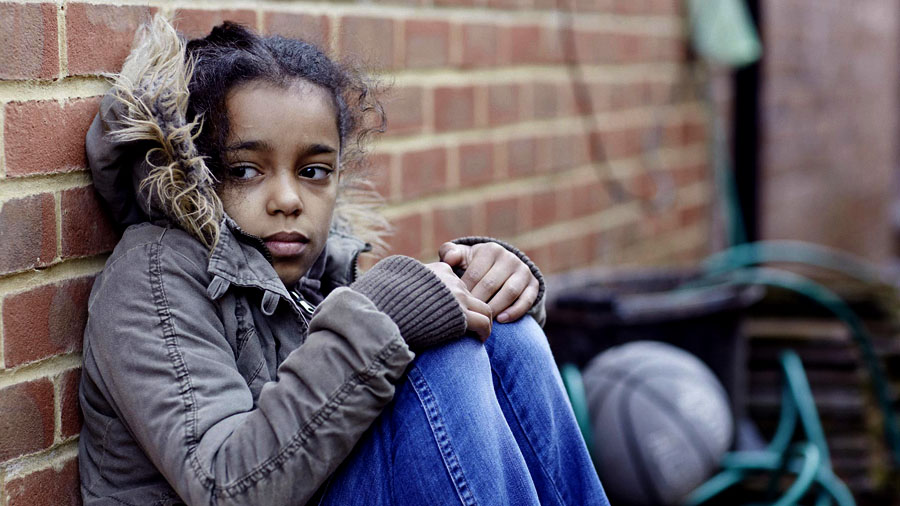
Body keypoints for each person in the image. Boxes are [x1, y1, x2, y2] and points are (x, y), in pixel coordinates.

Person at [78, 15, 608, 506]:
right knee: (445, 358)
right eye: (244, 170)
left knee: (502, 334)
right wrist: (379, 316)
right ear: (195, 168)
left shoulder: (316, 274)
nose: (288, 199)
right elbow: (225, 486)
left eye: (313, 171)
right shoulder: (151, 276)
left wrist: (496, 291)